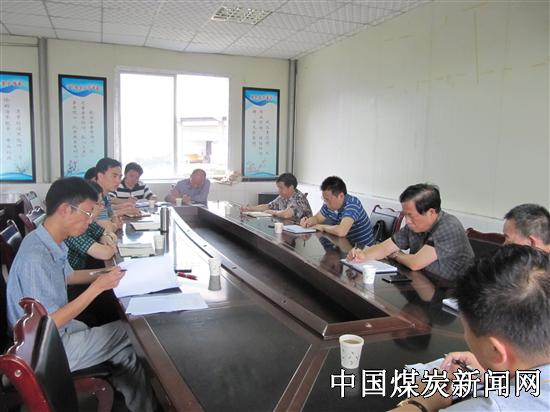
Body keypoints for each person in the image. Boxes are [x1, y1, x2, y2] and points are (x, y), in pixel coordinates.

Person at [6, 177, 156, 412]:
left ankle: (141, 405)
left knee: (126, 350)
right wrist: (98, 287)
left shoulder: (47, 239)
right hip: (43, 350)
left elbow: (69, 275)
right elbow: (47, 325)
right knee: (133, 330)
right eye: (87, 213)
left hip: (54, 336)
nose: (91, 219)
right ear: (66, 210)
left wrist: (106, 273)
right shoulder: (36, 257)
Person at [392, 245, 550, 411]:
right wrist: (498, 375)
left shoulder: (491, 407)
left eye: (465, 330)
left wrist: (421, 403)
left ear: (495, 351)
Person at [348, 184, 474, 280]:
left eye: (411, 215)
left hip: (451, 292)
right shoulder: (414, 225)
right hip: (423, 281)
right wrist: (362, 255)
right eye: (405, 215)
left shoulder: (449, 226)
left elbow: (415, 263)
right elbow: (384, 248)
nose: (407, 221)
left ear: (431, 212)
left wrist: (396, 255)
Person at [300, 176, 374, 247]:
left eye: (327, 199)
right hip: (344, 246)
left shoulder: (352, 204)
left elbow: (341, 231)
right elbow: (317, 218)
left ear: (341, 196)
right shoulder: (329, 204)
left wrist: (322, 227)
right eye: (324, 199)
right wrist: (308, 221)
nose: (325, 202)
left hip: (364, 250)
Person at [241, 172, 312, 220]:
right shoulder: (283, 196)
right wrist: (251, 208)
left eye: (281, 188)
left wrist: (273, 212)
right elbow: (268, 206)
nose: (279, 191)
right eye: (278, 188)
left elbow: (286, 214)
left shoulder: (299, 198)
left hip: (304, 234)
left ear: (291, 187)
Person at [95, 157, 139, 224]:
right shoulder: (94, 196)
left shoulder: (105, 194)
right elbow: (101, 221)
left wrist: (122, 207)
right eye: (114, 176)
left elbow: (108, 211)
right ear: (100, 176)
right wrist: (123, 211)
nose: (118, 181)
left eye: (120, 177)